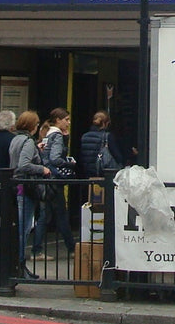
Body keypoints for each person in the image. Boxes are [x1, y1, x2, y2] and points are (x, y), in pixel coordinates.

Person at [32, 108, 78, 256]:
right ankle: (71, 247)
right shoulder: (57, 136)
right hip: (54, 179)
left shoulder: (47, 134)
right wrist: (69, 163)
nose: (68, 123)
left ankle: (37, 249)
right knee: (60, 214)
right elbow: (55, 158)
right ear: (58, 120)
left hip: (45, 179)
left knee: (44, 214)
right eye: (66, 120)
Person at [9, 110, 44, 271]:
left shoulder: (16, 139)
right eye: (37, 124)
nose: (38, 127)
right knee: (23, 229)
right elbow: (24, 164)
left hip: (17, 187)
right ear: (32, 126)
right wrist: (42, 169)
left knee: (20, 227)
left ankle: (17, 264)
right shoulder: (28, 141)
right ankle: (20, 265)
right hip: (26, 188)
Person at [79, 111, 125, 179]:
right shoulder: (107, 136)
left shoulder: (84, 136)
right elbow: (118, 157)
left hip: (88, 174)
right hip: (104, 173)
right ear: (105, 123)